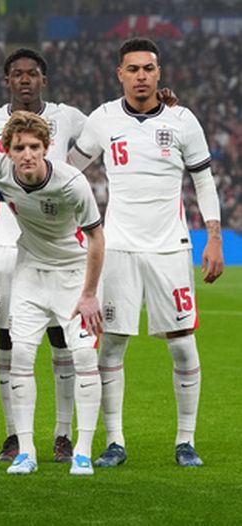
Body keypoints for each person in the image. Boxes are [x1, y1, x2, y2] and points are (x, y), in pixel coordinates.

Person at [68, 38, 224, 468]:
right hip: (116, 248)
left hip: (170, 250)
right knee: (112, 345)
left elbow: (204, 181)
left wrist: (214, 236)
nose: (141, 76)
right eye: (132, 69)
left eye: (148, 69)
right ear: (119, 73)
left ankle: (185, 441)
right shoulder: (102, 118)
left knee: (182, 346)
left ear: (159, 73)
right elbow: (69, 169)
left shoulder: (181, 120)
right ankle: (115, 441)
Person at [0, 111, 104, 475]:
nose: (27, 154)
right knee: (21, 357)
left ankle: (82, 452)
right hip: (30, 274)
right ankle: (26, 451)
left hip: (73, 275)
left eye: (35, 147)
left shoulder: (71, 183)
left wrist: (89, 294)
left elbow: (97, 238)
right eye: (19, 147)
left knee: (84, 358)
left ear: (47, 147)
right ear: (6, 150)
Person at [0, 48, 88, 463]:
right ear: (6, 80)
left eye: (32, 74)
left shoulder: (70, 117)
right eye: (17, 74)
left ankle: (62, 434)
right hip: (7, 244)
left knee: (62, 337)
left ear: (44, 79)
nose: (25, 80)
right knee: (7, 341)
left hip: (57, 244)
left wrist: (164, 107)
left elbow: (104, 139)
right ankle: (13, 437)